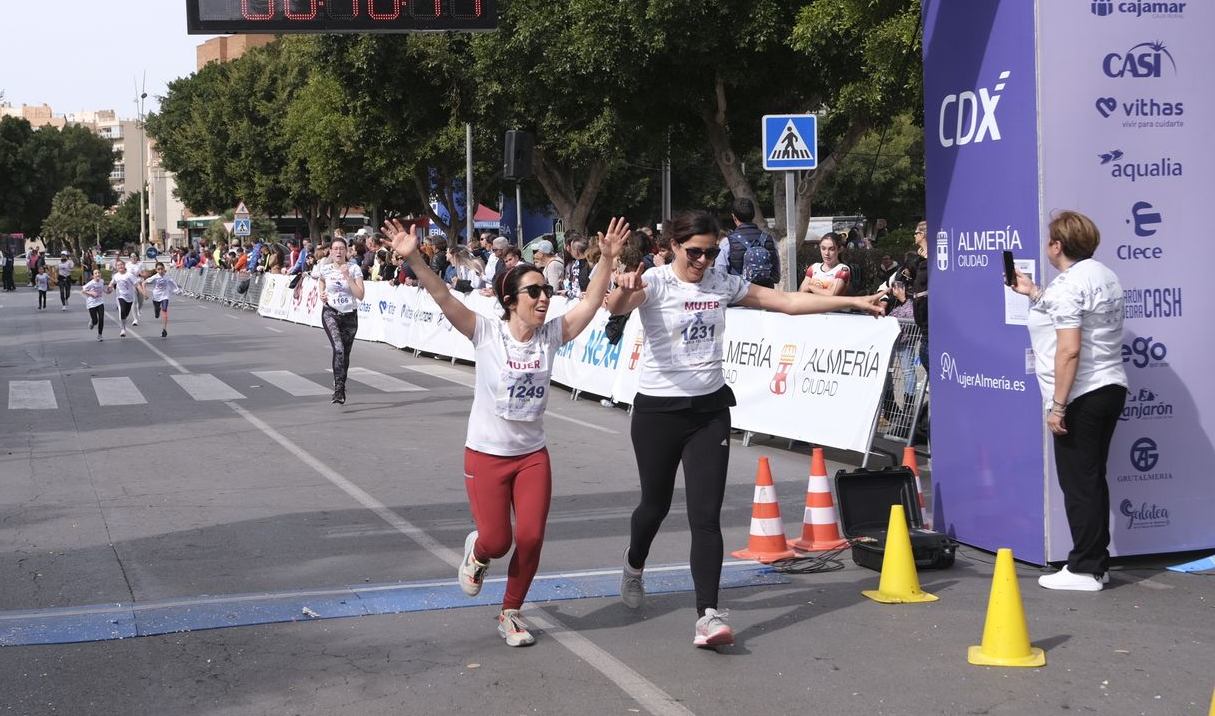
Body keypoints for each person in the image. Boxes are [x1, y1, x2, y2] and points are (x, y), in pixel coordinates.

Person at [606, 211, 885, 648]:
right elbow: (618, 306)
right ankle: (634, 563)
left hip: (709, 411)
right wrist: (624, 291)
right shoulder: (656, 281)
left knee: (705, 516)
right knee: (654, 507)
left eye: (711, 251)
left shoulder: (721, 282)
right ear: (675, 246)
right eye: (695, 251)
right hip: (658, 412)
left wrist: (854, 301)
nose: (703, 260)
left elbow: (788, 302)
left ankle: (708, 614)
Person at [385, 216, 629, 647]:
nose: (544, 299)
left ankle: (511, 612)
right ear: (510, 299)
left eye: (547, 291)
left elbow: (590, 304)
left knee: (531, 536)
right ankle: (478, 552)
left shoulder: (550, 335)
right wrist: (415, 261)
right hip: (486, 454)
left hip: (532, 455)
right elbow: (443, 297)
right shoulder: (486, 334)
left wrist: (607, 260)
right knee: (498, 541)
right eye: (534, 292)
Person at [1010, 211, 1127, 592]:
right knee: (1090, 479)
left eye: (1048, 240)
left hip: (1081, 394)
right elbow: (1074, 316)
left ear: (1057, 246)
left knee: (1079, 482)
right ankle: (1095, 562)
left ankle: (1084, 568)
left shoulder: (1067, 286)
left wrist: (1058, 406)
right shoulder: (1104, 276)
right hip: (1110, 386)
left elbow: (1069, 351)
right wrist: (1033, 292)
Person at [313, 238, 365, 404]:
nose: (338, 252)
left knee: (346, 354)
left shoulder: (354, 269)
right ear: (330, 251)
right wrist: (321, 293)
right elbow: (321, 281)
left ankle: (341, 382)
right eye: (335, 248)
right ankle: (338, 391)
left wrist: (347, 277)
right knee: (339, 349)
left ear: (347, 251)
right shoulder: (326, 269)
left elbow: (361, 295)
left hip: (350, 314)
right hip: (331, 312)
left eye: (341, 248)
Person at [724, 198, 780, 288]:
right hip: (767, 297)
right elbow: (776, 276)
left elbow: (721, 275)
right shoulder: (769, 239)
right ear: (753, 215)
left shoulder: (727, 242)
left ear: (734, 217)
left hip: (740, 297)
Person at [799, 232, 851, 296]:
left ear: (839, 249)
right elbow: (800, 293)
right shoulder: (814, 267)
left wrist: (810, 287)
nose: (826, 253)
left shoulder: (842, 270)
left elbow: (831, 295)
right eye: (823, 248)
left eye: (831, 249)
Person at [148, 263, 179, 338]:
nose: (161, 271)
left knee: (165, 309)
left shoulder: (167, 277)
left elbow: (173, 283)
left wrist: (177, 289)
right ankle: (157, 310)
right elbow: (144, 282)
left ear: (164, 269)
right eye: (159, 269)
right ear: (156, 270)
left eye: (162, 269)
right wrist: (144, 293)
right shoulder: (155, 277)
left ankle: (164, 329)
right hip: (156, 296)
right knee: (156, 311)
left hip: (165, 296)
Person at [111, 260, 140, 337]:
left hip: (130, 297)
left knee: (125, 313)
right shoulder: (116, 276)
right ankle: (123, 329)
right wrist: (109, 288)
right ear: (116, 267)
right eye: (118, 265)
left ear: (124, 266)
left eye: (121, 264)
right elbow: (112, 283)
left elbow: (137, 284)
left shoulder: (129, 275)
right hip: (120, 296)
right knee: (122, 311)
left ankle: (123, 323)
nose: (120, 266)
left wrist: (143, 293)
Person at [82, 269, 107, 341]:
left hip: (100, 302)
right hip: (92, 303)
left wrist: (107, 291)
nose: (97, 274)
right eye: (95, 273)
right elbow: (83, 290)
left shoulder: (102, 281)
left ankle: (100, 335)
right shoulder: (91, 283)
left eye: (99, 273)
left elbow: (102, 289)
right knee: (96, 321)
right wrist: (91, 293)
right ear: (93, 276)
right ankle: (93, 322)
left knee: (101, 319)